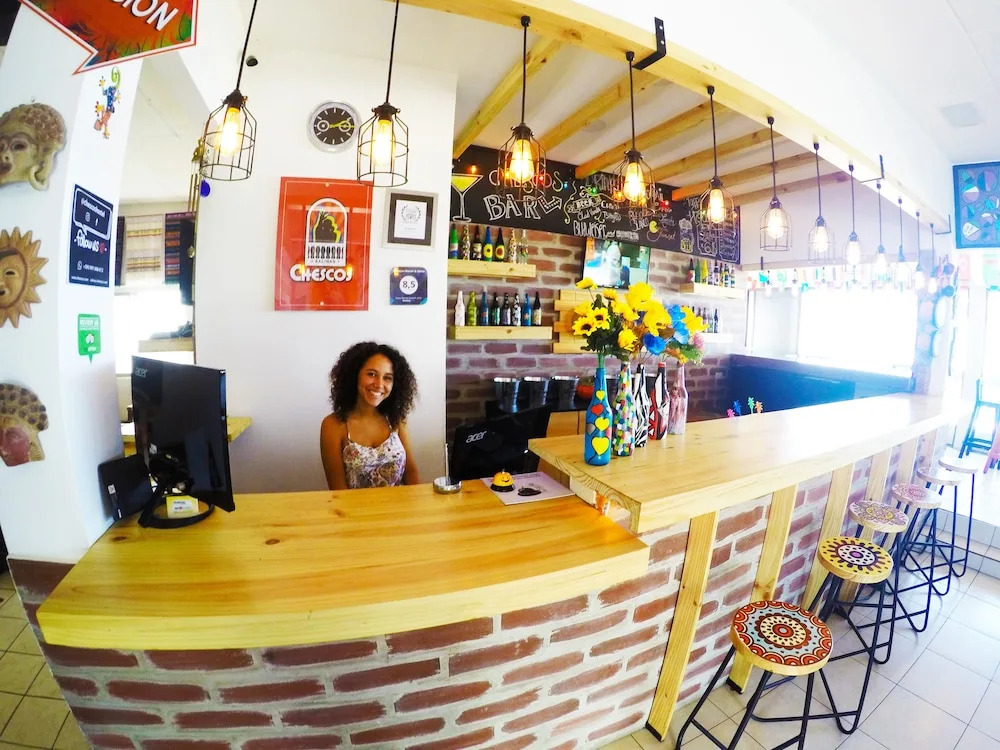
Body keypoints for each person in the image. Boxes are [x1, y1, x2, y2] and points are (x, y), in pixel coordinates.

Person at [320, 342, 420, 490]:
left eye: (387, 378)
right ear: (355, 375)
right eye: (371, 374)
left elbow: (412, 475)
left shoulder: (397, 420)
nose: (379, 384)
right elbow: (337, 489)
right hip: (352, 505)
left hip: (399, 504)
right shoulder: (333, 425)